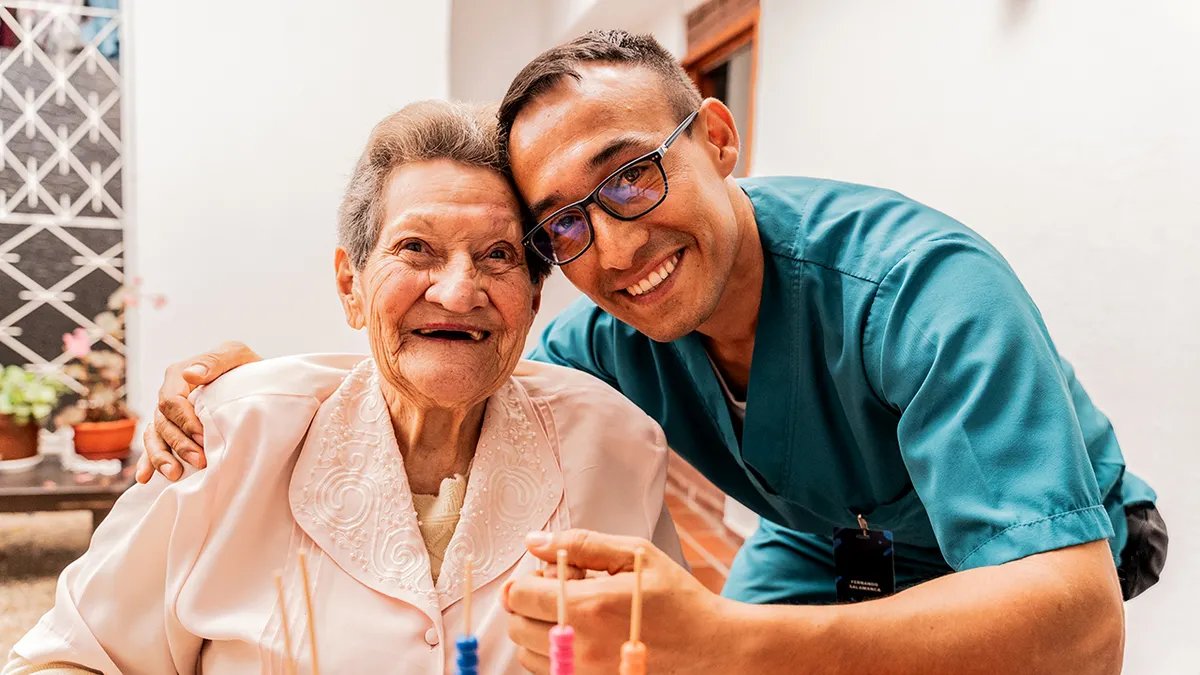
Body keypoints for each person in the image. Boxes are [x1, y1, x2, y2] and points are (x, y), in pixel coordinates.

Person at [141, 31, 1166, 675]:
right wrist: (249, 387)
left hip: (1054, 549)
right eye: (563, 227)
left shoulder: (921, 291)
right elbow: (462, 357)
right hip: (826, 538)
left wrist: (730, 645)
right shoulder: (607, 337)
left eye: (630, 175)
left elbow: (1076, 627)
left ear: (717, 137)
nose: (619, 248)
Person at [5, 100, 681, 674]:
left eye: (498, 254)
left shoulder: (617, 448)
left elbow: (674, 655)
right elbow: (69, 654)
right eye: (415, 247)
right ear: (350, 287)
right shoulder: (228, 437)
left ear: (535, 297)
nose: (456, 289)